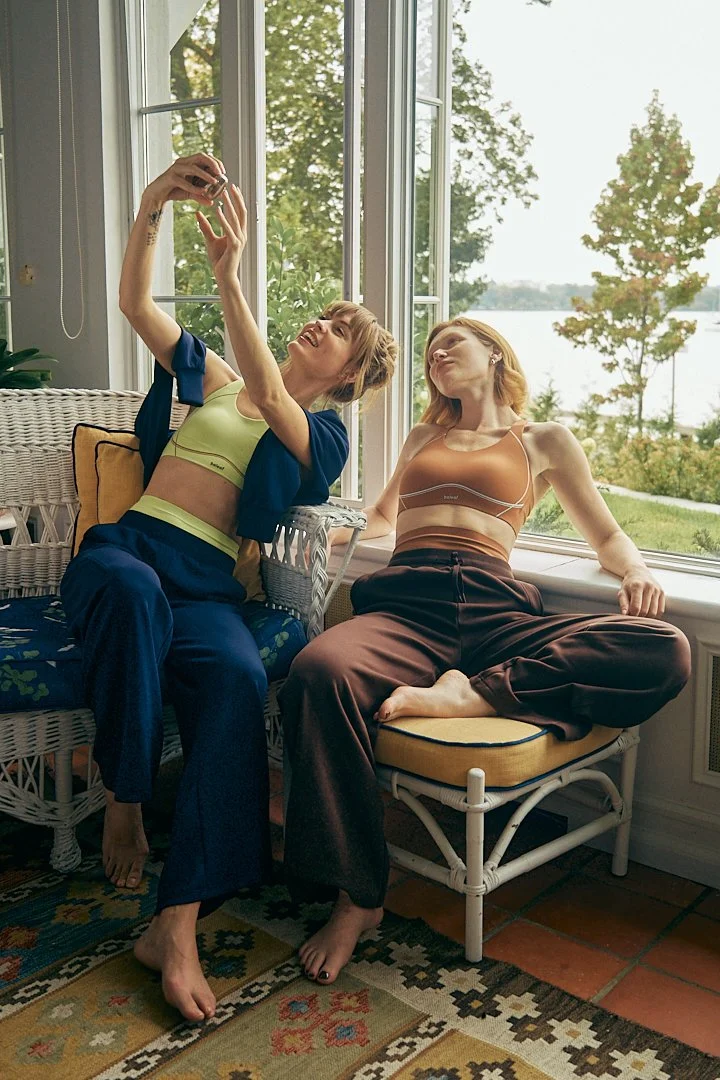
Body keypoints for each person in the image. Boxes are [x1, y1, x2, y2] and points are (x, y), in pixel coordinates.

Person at [60, 152, 398, 1022]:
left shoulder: (319, 440)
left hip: (208, 587)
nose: (320, 325)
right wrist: (149, 206)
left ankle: (174, 927)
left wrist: (229, 278)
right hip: (128, 554)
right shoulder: (216, 380)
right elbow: (138, 306)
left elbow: (281, 402)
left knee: (241, 682)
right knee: (133, 598)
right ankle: (126, 802)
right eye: (322, 315)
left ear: (351, 381)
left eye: (339, 331)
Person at [279, 316, 691, 985]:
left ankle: (473, 691)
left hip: (497, 611)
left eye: (454, 341)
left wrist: (638, 570)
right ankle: (358, 896)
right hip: (410, 608)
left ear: (494, 354)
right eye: (430, 350)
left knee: (664, 648)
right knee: (315, 671)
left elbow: (608, 536)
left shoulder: (543, 439)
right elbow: (379, 519)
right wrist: (313, 533)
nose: (438, 353)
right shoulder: (423, 435)